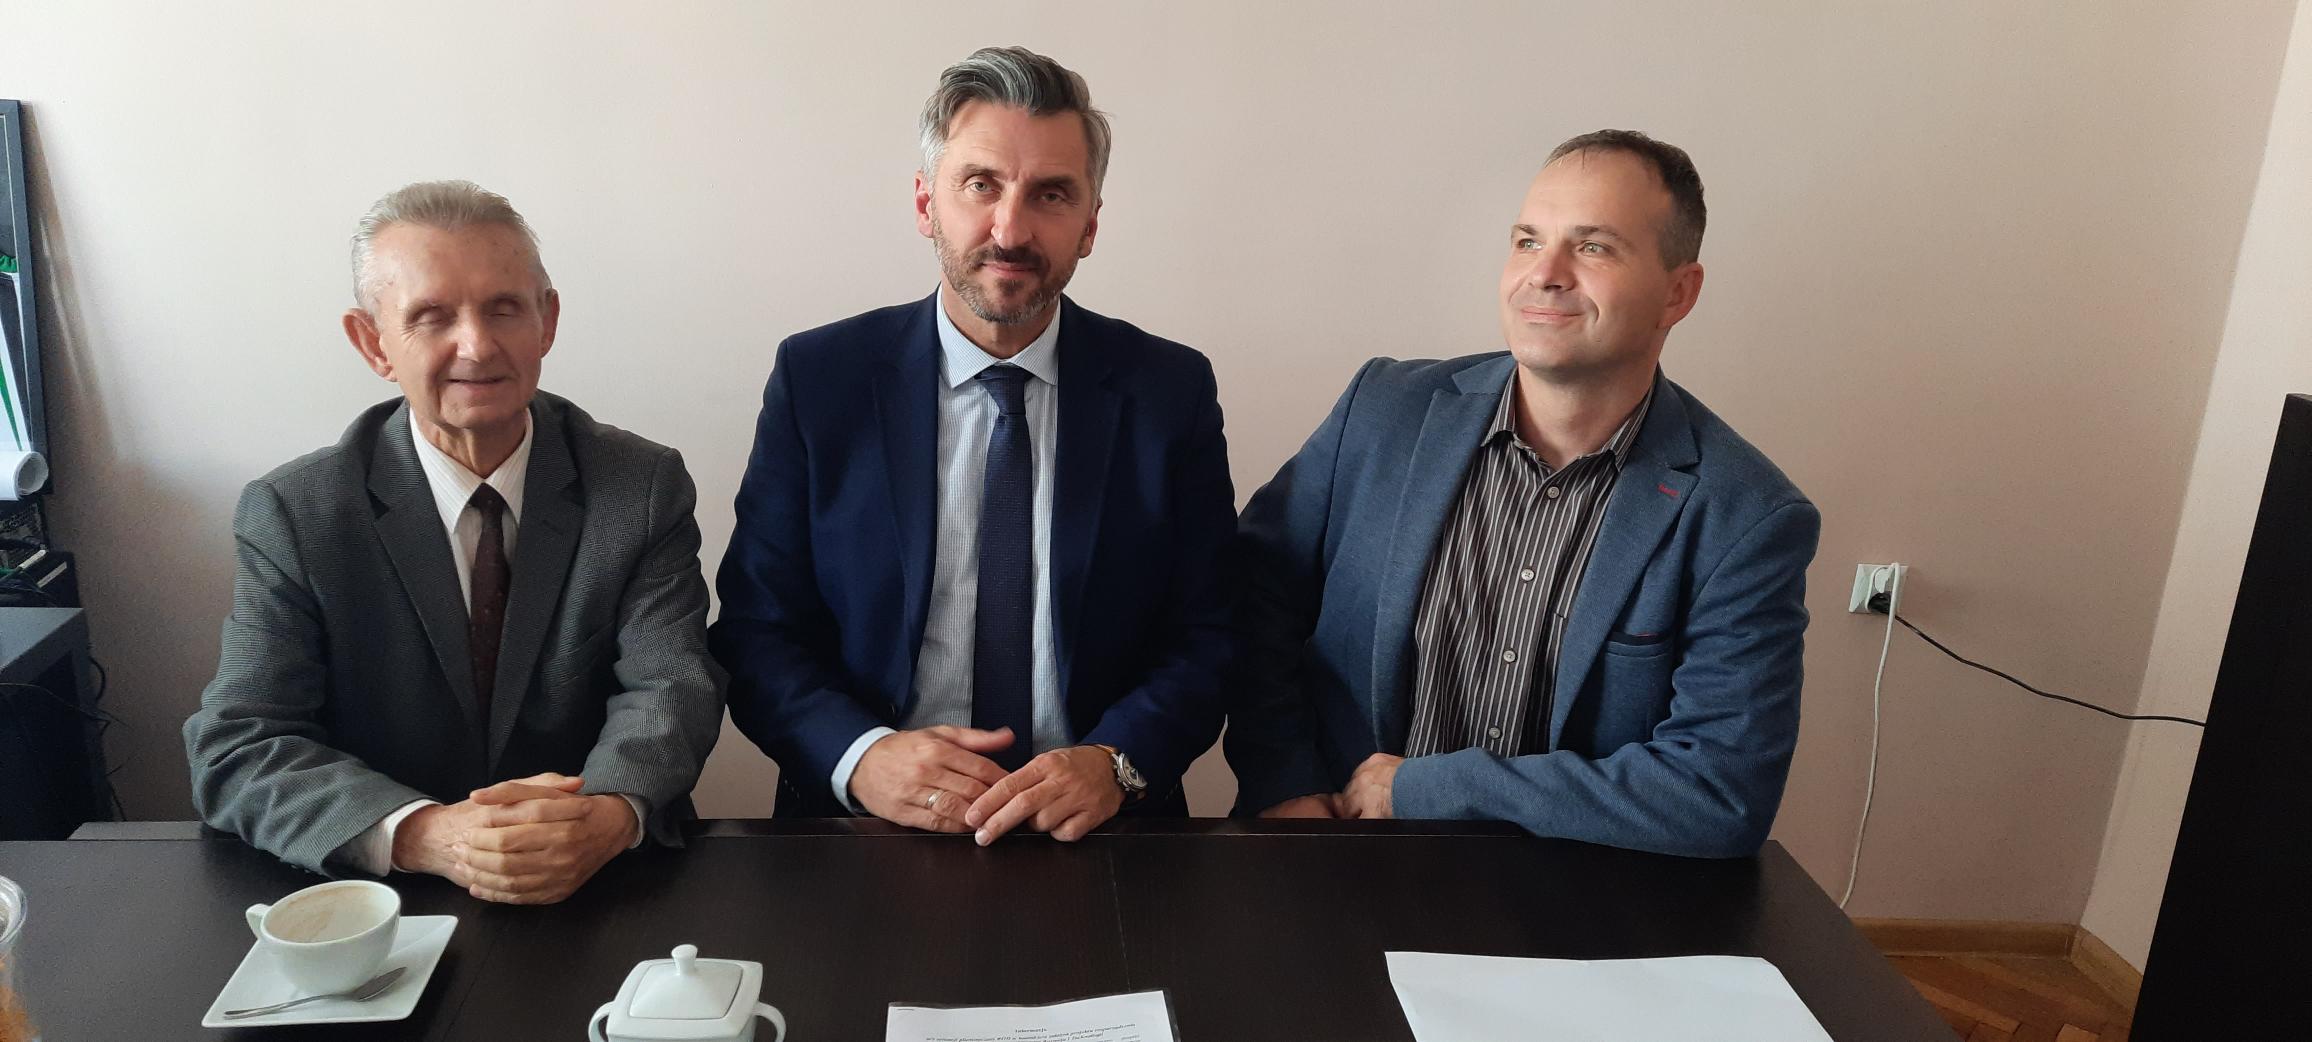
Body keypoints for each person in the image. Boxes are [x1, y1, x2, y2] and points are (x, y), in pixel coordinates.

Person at [1224, 131, 1819, 858]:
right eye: (1528, 241)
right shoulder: (1381, 412)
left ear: (1678, 292)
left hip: (1576, 893)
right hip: (1336, 858)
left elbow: (1717, 792)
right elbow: (1251, 598)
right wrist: (1283, 782)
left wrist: (1429, 790)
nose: (1545, 273)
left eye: (1593, 247)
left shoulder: (1745, 516)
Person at [712, 47, 1234, 844]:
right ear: (927, 202)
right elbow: (756, 631)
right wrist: (862, 758)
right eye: (981, 184)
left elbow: (1211, 632)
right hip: (869, 832)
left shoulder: (1169, 391)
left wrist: (1117, 763)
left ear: (1090, 225)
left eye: (1051, 194)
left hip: (1102, 832)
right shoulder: (820, 380)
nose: (1010, 230)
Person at [184, 181, 724, 901]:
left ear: (546, 322)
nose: (477, 345)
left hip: (598, 877)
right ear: (373, 342)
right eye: (432, 316)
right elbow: (240, 744)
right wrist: (427, 834)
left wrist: (603, 815)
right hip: (384, 894)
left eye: (504, 308)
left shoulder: (640, 485)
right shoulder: (297, 512)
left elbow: (672, 688)